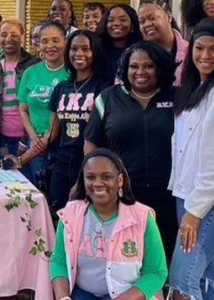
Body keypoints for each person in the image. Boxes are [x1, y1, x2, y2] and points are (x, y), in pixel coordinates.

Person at [167, 18, 214, 300]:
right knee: (206, 278)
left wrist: (194, 212)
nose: (205, 56)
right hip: (187, 195)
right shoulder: (195, 88)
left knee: (181, 282)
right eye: (199, 48)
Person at [84, 41, 178, 267]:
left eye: (148, 66)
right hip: (124, 196)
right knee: (125, 257)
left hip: (169, 195)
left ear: (159, 68)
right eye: (134, 66)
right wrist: (100, 181)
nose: (141, 72)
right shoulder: (107, 98)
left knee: (163, 258)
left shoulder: (179, 97)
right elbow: (91, 143)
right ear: (125, 70)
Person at [50, 149, 168, 300]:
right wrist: (63, 297)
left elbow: (156, 272)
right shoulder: (70, 215)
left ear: (120, 180)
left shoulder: (142, 218)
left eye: (106, 177)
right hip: (81, 294)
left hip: (128, 296)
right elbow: (58, 259)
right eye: (90, 177)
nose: (97, 183)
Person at [41, 30, 113, 216]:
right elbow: (51, 134)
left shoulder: (104, 86)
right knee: (58, 214)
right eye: (73, 49)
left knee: (87, 216)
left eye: (85, 49)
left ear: (94, 52)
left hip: (92, 164)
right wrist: (20, 159)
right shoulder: (61, 88)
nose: (78, 54)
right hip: (62, 162)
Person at [17, 21, 70, 186]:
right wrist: (33, 136)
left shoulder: (71, 73)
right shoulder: (30, 72)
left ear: (65, 42)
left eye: (56, 40)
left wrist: (46, 138)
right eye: (44, 41)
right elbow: (23, 109)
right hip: (34, 143)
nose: (50, 46)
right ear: (38, 45)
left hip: (61, 144)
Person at [0, 18, 40, 157]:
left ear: (22, 36)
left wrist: (26, 140)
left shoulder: (34, 65)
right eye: (3, 34)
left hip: (29, 138)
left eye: (14, 35)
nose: (8, 39)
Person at [138, 0, 189, 86]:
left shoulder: (191, 51)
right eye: (142, 22)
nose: (147, 24)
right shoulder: (135, 54)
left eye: (152, 18)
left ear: (169, 17)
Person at [97, 4, 143, 78]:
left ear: (132, 23)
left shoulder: (141, 51)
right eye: (111, 20)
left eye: (123, 20)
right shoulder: (97, 50)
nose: (116, 24)